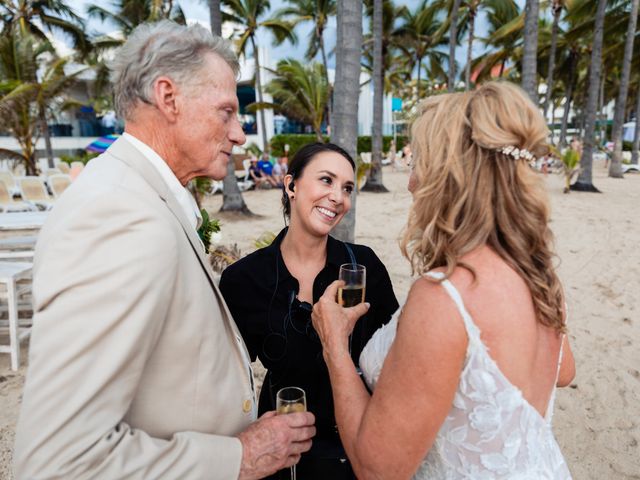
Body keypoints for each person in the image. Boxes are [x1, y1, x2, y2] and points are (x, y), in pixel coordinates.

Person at [14, 21, 314, 480]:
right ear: (168, 97)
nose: (239, 135)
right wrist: (238, 458)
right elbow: (59, 463)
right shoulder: (121, 215)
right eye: (226, 112)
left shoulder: (138, 196)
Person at [311, 82, 576, 479]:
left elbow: (376, 468)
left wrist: (334, 344)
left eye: (418, 163)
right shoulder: (538, 275)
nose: (411, 182)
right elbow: (564, 370)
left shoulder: (445, 296)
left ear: (447, 178)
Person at [219, 142, 399, 479]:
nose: (338, 197)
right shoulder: (244, 279)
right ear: (291, 185)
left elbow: (395, 361)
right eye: (326, 180)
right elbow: (225, 381)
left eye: (347, 188)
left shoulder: (365, 267)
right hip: (283, 455)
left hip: (354, 452)